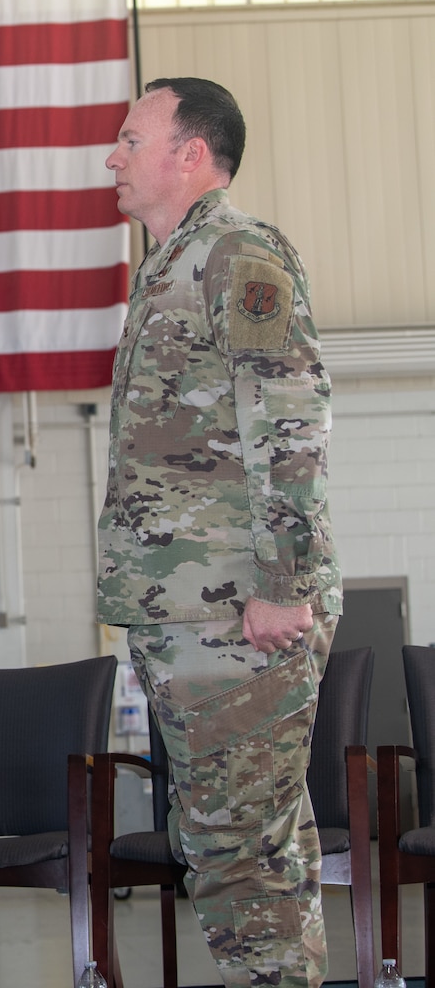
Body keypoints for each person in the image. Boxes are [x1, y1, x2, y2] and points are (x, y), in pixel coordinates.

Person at [99, 77, 340, 988]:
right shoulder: (166, 266)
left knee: (241, 854)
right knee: (236, 845)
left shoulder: (235, 253)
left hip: (240, 610)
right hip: (193, 614)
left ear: (188, 154)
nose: (112, 156)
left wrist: (286, 584)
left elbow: (290, 421)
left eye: (130, 138)